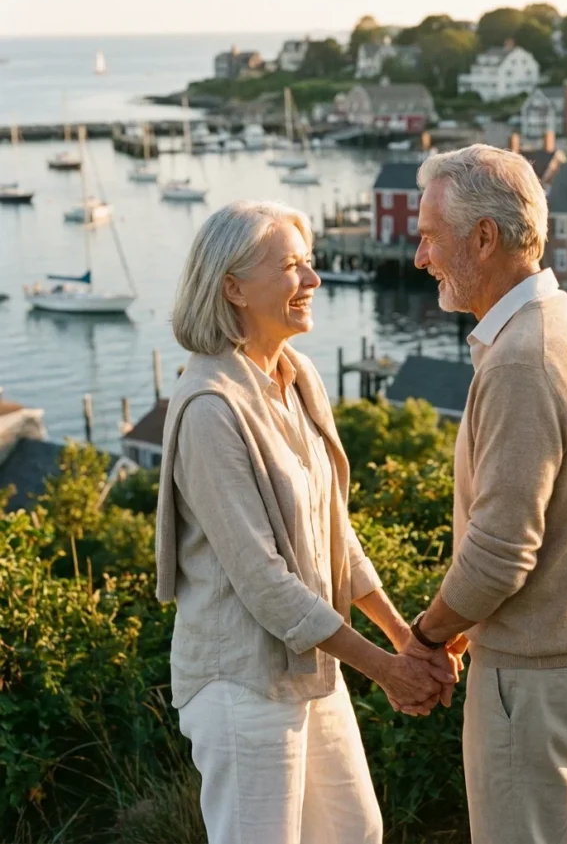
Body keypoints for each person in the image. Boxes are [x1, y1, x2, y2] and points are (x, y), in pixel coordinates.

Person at [154, 200, 456, 844]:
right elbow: (263, 581)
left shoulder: (298, 378)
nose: (314, 281)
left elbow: (331, 530)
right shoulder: (210, 408)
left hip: (312, 668)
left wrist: (405, 638)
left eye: (311, 264)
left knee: (355, 831)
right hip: (242, 682)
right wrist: (385, 668)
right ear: (232, 287)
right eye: (293, 266)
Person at [401, 145, 567, 844]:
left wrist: (429, 634)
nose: (421, 257)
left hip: (541, 677)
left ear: (484, 237)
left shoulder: (522, 359)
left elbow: (499, 555)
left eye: (430, 236)